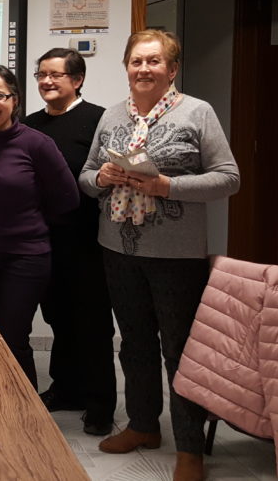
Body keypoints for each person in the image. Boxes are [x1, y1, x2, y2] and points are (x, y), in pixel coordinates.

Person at [79, 30, 240, 481]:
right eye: (136, 61)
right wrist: (104, 178)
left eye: (154, 62)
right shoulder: (112, 115)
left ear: (172, 70)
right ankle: (144, 426)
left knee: (181, 350)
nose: (143, 69)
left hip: (177, 256)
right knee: (133, 344)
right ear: (126, 67)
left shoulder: (197, 113)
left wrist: (168, 186)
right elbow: (85, 178)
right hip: (116, 248)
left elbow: (229, 178)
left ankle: (190, 448)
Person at [0, 65, 77, 388]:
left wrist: (26, 220)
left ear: (15, 100)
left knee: (12, 338)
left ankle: (25, 420)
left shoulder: (37, 144)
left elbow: (68, 199)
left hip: (25, 257)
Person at [23, 48, 115, 436]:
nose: (46, 81)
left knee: (92, 323)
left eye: (55, 75)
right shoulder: (28, 124)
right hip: (44, 239)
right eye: (41, 74)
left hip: (88, 240)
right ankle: (66, 389)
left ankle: (100, 404)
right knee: (58, 317)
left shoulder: (99, 120)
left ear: (76, 80)